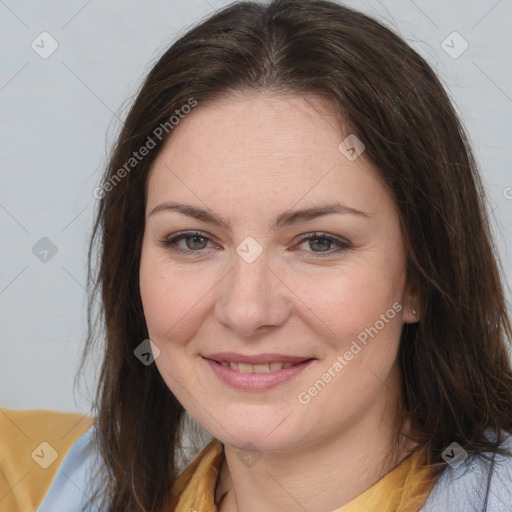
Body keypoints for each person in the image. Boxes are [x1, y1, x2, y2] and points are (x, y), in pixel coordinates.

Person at [2, 0, 512, 510]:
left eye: (319, 242)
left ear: (420, 276)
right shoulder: (54, 482)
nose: (245, 311)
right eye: (193, 240)